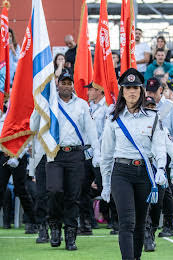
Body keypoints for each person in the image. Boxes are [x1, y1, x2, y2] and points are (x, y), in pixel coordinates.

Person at [101, 68, 167, 259]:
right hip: (121, 172)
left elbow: (159, 145)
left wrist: (161, 167)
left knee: (140, 223)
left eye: (136, 88)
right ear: (122, 91)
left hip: (145, 173)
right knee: (127, 222)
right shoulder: (113, 118)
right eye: (128, 88)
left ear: (141, 91)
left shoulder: (152, 117)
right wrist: (106, 182)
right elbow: (106, 153)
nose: (132, 92)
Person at [31, 71, 100, 250]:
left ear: (73, 85)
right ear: (57, 84)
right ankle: (54, 224)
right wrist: (39, 107)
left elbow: (91, 129)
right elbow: (32, 126)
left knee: (73, 195)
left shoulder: (82, 105)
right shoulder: (49, 104)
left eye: (69, 83)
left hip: (76, 154)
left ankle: (70, 233)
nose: (66, 86)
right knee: (54, 191)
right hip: (55, 153)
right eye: (63, 82)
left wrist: (97, 152)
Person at [145, 77, 173, 243]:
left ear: (161, 90)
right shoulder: (143, 105)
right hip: (148, 155)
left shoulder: (171, 107)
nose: (152, 94)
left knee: (166, 192)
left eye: (154, 91)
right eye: (149, 91)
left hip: (165, 153)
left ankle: (168, 224)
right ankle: (148, 224)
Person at [78, 83, 107, 235]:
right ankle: (86, 223)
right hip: (85, 153)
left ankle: (114, 221)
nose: (88, 92)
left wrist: (96, 148)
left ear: (99, 91)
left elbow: (105, 133)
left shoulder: (107, 108)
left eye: (91, 89)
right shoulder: (86, 107)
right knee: (82, 189)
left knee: (105, 187)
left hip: (100, 153)